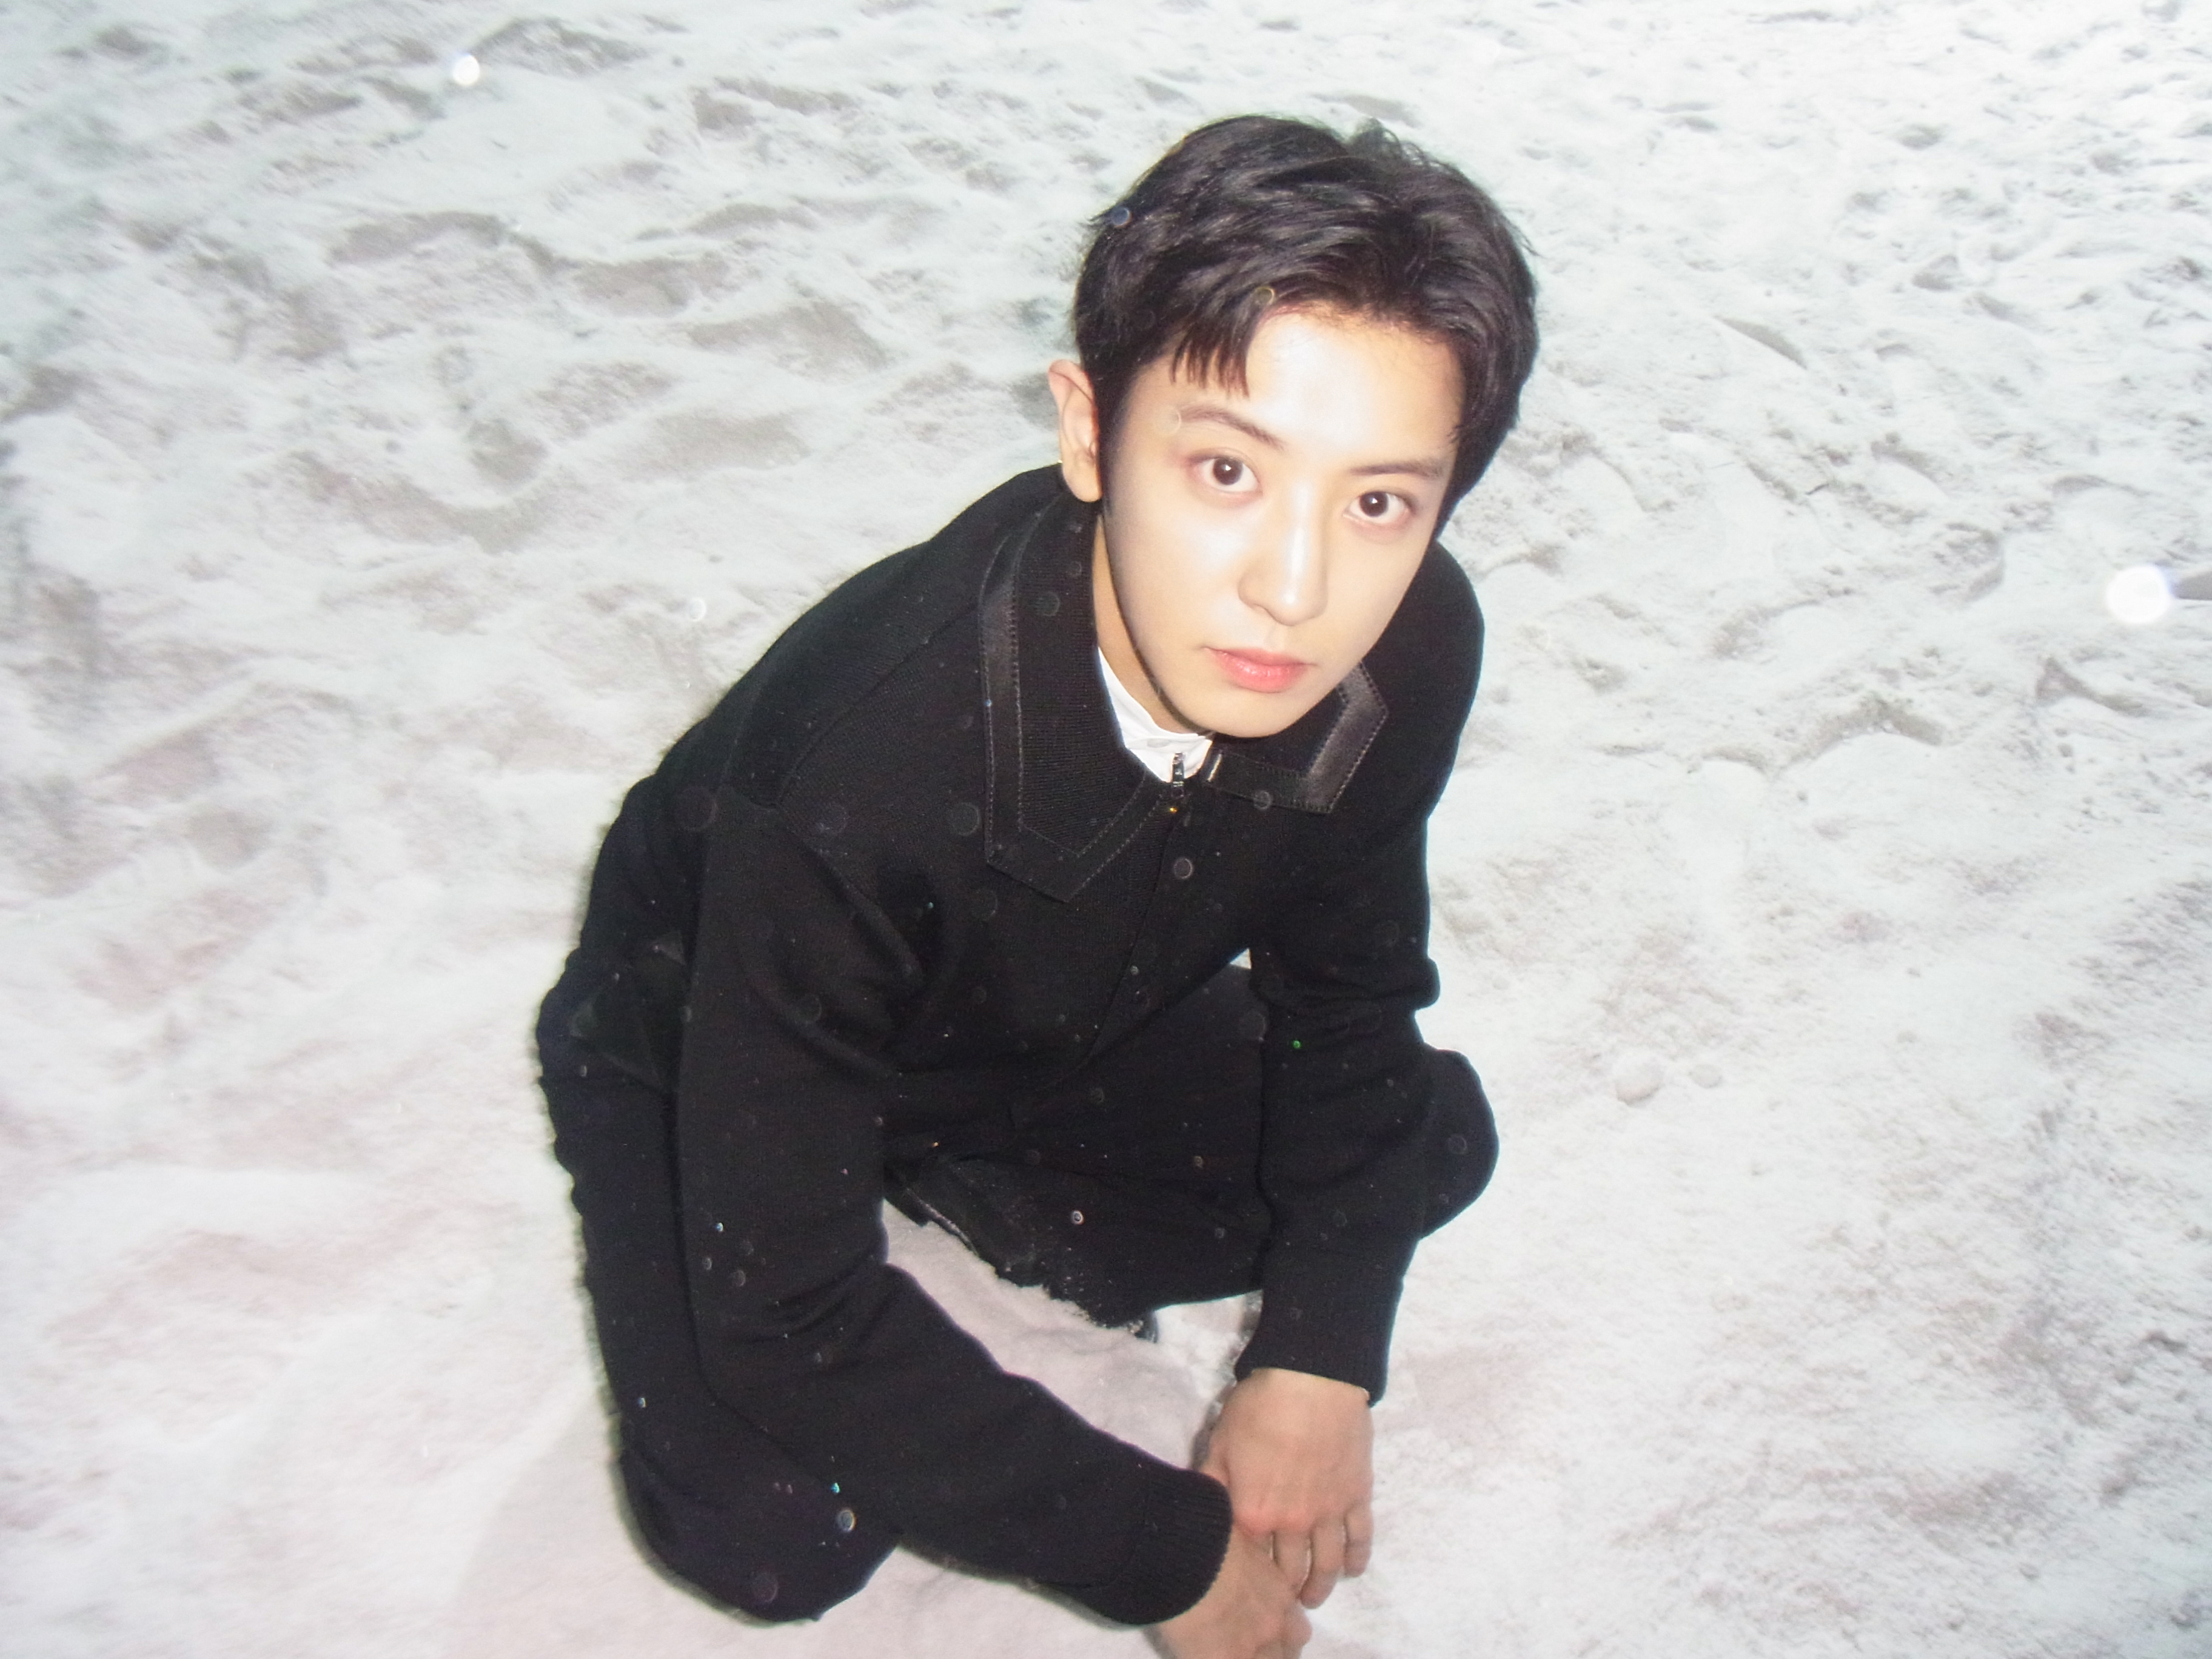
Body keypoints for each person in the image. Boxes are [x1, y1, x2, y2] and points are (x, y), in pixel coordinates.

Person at [536, 113, 1537, 1657]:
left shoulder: (1404, 646)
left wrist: (1323, 1357)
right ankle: (892, 1175)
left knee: (1426, 1145)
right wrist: (1167, 1560)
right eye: (1225, 469)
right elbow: (783, 1323)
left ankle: (965, 1181)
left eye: (1379, 502)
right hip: (699, 1025)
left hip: (1047, 1012)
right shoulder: (860, 762)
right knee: (773, 1531)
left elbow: (1349, 1002)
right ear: (1087, 429)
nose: (1294, 588)